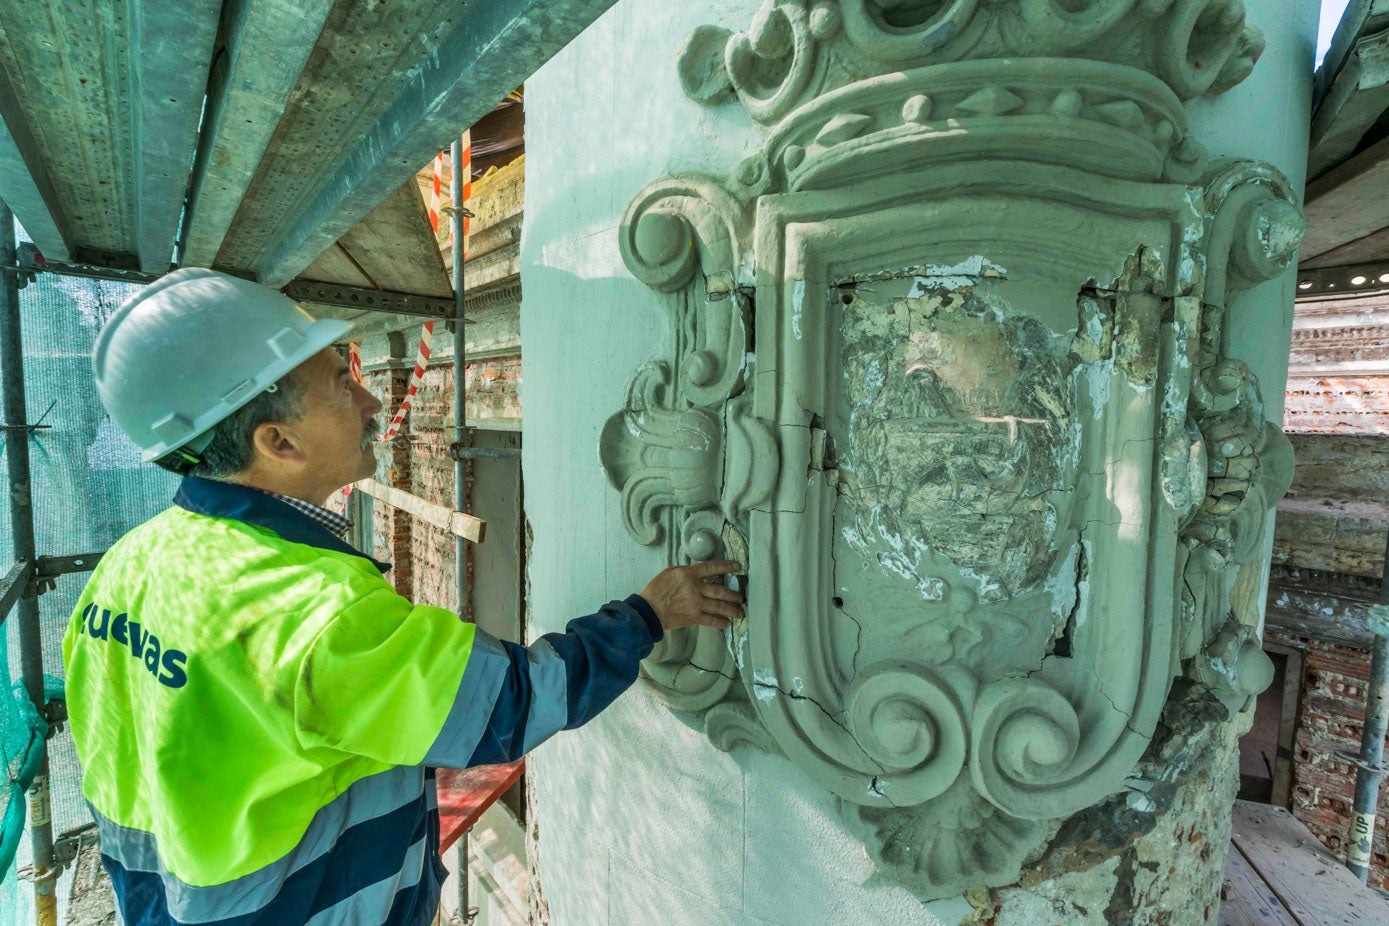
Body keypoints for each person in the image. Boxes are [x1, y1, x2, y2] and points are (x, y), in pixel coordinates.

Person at [62, 268, 743, 925]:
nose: (370, 400)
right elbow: (509, 705)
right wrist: (651, 615)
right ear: (278, 441)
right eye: (339, 381)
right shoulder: (317, 610)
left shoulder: (128, 566)